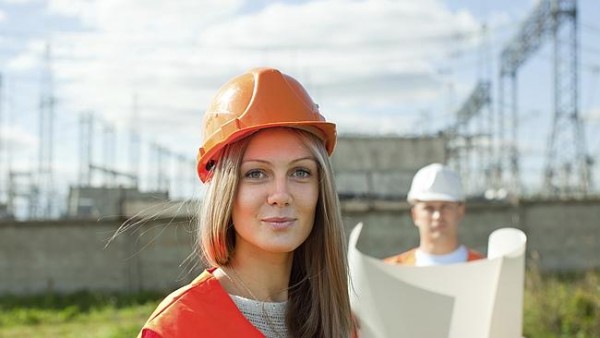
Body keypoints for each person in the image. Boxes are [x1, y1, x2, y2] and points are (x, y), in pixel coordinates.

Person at [137, 67, 353, 337]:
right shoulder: (177, 328)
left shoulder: (343, 322)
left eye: (301, 172)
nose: (281, 195)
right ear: (224, 191)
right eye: (256, 173)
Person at [384, 163, 484, 266]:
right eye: (429, 208)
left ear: (460, 211)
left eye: (445, 207)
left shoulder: (485, 269)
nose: (437, 216)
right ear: (415, 215)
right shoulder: (392, 269)